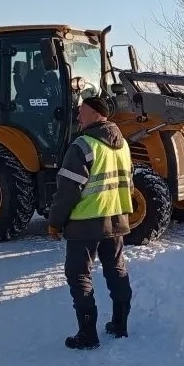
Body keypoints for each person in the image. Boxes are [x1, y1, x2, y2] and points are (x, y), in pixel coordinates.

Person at [47, 94, 135, 350]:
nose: (78, 116)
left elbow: (68, 190)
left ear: (96, 114)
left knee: (79, 274)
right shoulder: (123, 145)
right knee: (116, 270)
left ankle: (87, 334)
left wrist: (55, 221)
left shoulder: (83, 145)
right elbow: (129, 183)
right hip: (115, 219)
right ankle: (120, 324)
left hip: (85, 222)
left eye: (81, 111)